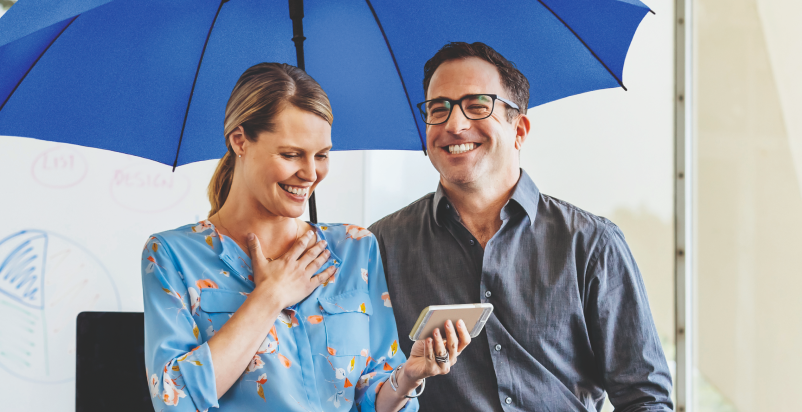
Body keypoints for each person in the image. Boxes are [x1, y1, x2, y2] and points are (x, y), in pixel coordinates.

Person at [142, 63, 467, 412]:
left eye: (322, 155)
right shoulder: (171, 255)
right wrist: (270, 297)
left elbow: (371, 395)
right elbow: (174, 399)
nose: (311, 174)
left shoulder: (356, 248)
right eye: (291, 154)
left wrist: (407, 378)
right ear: (240, 141)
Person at [369, 43, 674, 411]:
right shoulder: (381, 246)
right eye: (438, 109)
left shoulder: (591, 243)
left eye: (477, 105)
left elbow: (645, 397)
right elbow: (363, 389)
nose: (454, 124)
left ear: (520, 129)